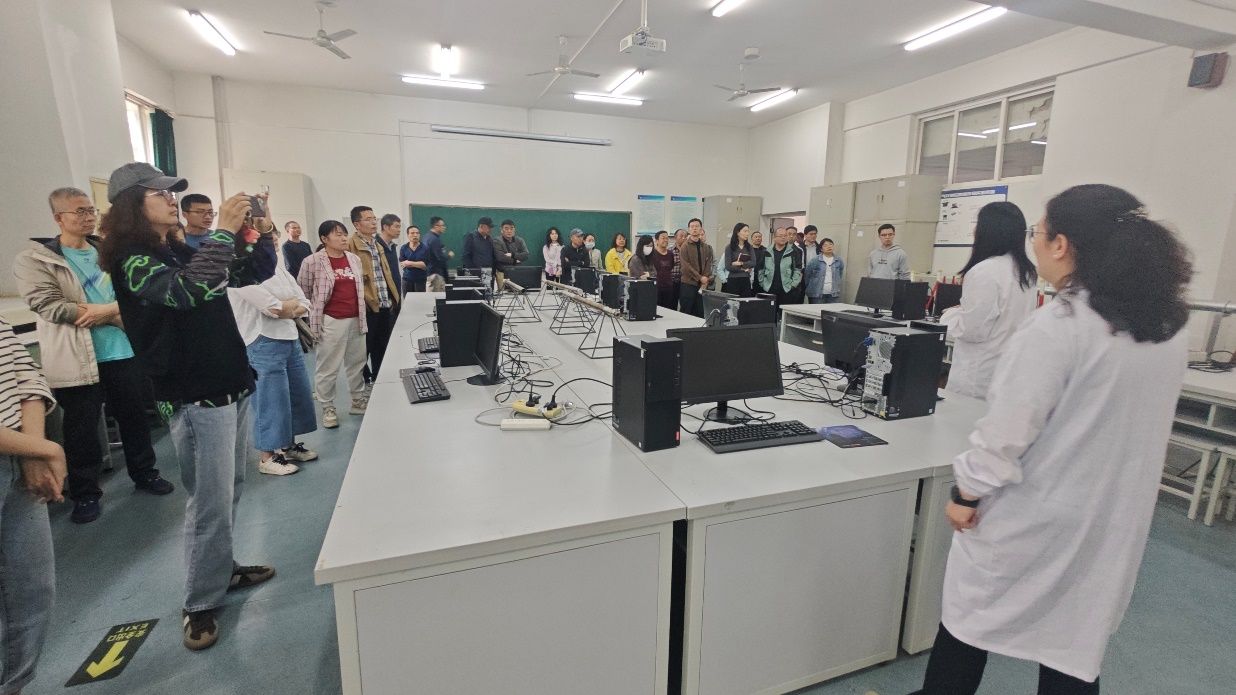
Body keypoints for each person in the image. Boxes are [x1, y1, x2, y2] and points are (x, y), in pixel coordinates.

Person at [911, 184, 1191, 695]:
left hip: (1036, 512)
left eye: (1038, 232)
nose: (1035, 243)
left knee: (969, 618)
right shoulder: (1167, 330)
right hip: (1111, 515)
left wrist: (966, 493)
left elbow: (1006, 434)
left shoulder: (1060, 326)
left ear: (1061, 244)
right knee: (1073, 642)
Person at [98, 162, 276, 651]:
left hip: (228, 381)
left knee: (228, 491)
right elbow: (186, 292)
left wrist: (260, 232)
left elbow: (251, 271)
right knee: (208, 502)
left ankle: (222, 569)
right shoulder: (132, 260)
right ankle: (199, 602)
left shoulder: (175, 249)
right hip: (194, 394)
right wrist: (222, 231)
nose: (171, 199)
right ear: (132, 204)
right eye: (160, 193)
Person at [14, 187, 173, 524]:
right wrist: (113, 314)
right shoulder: (37, 259)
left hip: (123, 350)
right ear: (59, 218)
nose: (88, 217)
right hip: (77, 357)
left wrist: (110, 312)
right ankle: (86, 493)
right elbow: (50, 305)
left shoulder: (110, 251)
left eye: (91, 210)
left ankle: (145, 473)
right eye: (80, 212)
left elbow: (136, 294)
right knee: (81, 430)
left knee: (135, 418)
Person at [0, 316, 62, 695]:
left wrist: (32, 452)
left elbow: (25, 373)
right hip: (20, 448)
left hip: (17, 453)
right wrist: (44, 449)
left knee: (32, 591)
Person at [228, 228, 317, 476]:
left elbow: (303, 299)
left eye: (273, 238)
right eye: (266, 239)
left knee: (296, 394)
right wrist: (288, 306)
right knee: (270, 399)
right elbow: (272, 308)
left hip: (288, 336)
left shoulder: (276, 266)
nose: (273, 243)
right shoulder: (240, 269)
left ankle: (288, 446)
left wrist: (289, 307)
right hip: (261, 339)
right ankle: (267, 456)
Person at [940, 202, 1039, 400]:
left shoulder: (984, 271)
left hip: (977, 376)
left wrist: (949, 315)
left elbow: (971, 331)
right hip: (1006, 373)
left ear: (988, 231)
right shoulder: (1027, 272)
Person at [298, 221, 368, 429]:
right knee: (328, 367)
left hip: (356, 318)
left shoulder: (354, 259)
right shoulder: (312, 261)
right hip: (331, 320)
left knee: (357, 363)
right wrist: (313, 316)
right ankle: (328, 407)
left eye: (344, 234)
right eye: (337, 235)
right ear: (324, 239)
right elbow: (303, 291)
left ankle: (357, 400)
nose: (344, 238)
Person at [348, 205, 399, 387]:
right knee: (364, 349)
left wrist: (393, 298)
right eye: (368, 219)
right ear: (357, 224)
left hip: (384, 303)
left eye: (374, 218)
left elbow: (385, 274)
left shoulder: (377, 245)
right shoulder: (351, 245)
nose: (373, 222)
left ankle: (379, 381)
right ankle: (363, 384)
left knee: (382, 346)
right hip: (367, 305)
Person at [757, 226, 803, 308]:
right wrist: (763, 283)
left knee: (784, 313)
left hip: (787, 289)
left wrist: (793, 285)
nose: (783, 238)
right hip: (769, 288)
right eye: (780, 236)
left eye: (785, 236)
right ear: (774, 237)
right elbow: (760, 269)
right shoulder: (766, 252)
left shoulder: (793, 252)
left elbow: (798, 269)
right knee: (769, 312)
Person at [677, 218, 714, 317]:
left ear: (701, 229)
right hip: (688, 284)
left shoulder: (706, 247)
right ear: (689, 229)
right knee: (686, 312)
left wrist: (705, 278)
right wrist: (700, 277)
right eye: (692, 227)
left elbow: (708, 263)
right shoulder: (685, 246)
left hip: (702, 285)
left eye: (697, 226)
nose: (694, 228)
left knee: (700, 312)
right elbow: (686, 266)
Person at [804, 237, 844, 304]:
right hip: (817, 294)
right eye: (825, 245)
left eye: (830, 244)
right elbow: (807, 275)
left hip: (833, 294)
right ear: (821, 249)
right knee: (817, 310)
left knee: (832, 311)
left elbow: (840, 274)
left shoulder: (838, 260)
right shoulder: (815, 260)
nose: (829, 246)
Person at [492, 218, 529, 286]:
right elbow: (500, 257)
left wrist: (512, 255)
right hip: (502, 272)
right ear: (501, 230)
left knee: (518, 291)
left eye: (511, 228)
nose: (509, 231)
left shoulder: (519, 240)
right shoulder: (497, 241)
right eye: (506, 228)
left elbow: (526, 255)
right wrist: (515, 261)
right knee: (503, 292)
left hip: (517, 271)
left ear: (514, 230)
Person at [721, 223, 755, 296]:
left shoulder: (749, 247)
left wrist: (741, 263)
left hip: (746, 279)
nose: (747, 233)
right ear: (738, 232)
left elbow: (753, 263)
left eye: (748, 231)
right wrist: (744, 269)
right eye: (745, 231)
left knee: (745, 302)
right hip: (733, 280)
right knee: (733, 302)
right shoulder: (729, 247)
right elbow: (728, 266)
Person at [648, 231, 677, 309]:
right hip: (656, 288)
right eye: (663, 238)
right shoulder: (652, 254)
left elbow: (671, 267)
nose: (666, 240)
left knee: (668, 310)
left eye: (667, 238)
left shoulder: (670, 254)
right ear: (657, 241)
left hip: (668, 287)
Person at [423, 216, 452, 291]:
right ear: (436, 226)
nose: (444, 227)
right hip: (435, 275)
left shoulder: (427, 237)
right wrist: (449, 256)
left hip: (431, 273)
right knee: (436, 297)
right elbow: (440, 258)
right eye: (442, 225)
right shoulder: (434, 239)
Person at [378, 213, 404, 297]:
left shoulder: (392, 246)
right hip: (383, 293)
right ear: (386, 227)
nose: (399, 230)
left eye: (399, 227)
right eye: (396, 226)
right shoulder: (376, 246)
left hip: (395, 291)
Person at [399, 225, 430, 294]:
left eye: (417, 233)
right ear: (408, 235)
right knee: (407, 300)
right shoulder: (404, 248)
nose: (415, 235)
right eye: (412, 233)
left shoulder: (425, 248)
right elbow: (403, 264)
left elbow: (424, 265)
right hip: (406, 280)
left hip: (420, 281)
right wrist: (418, 264)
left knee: (419, 300)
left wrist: (409, 263)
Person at [670, 228, 686, 304]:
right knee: (672, 303)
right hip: (673, 281)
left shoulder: (688, 251)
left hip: (685, 282)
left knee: (685, 304)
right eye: (681, 236)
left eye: (685, 236)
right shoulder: (670, 250)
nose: (684, 238)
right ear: (675, 237)